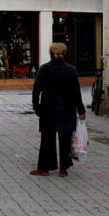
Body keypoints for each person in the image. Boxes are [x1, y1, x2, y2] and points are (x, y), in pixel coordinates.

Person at [30, 42, 86, 177]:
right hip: (67, 109)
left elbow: (36, 90)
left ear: (51, 54)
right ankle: (63, 169)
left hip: (48, 109)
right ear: (64, 54)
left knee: (47, 140)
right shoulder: (71, 70)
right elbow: (76, 92)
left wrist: (36, 107)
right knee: (65, 138)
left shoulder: (44, 69)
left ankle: (44, 168)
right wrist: (81, 110)